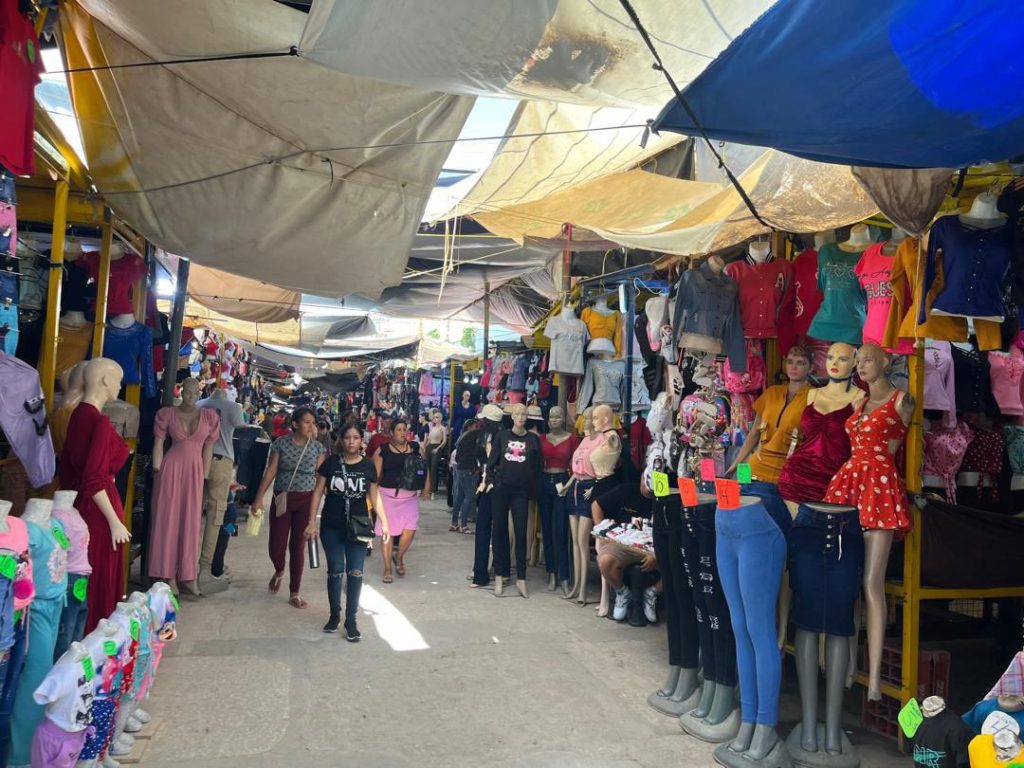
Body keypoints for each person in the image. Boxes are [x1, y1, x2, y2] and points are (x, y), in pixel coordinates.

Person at [307, 425, 390, 641]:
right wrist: (311, 523)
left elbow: (374, 496)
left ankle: (351, 620)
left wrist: (385, 522)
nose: (351, 441)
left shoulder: (368, 466)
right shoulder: (331, 463)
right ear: (341, 441)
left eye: (356, 438)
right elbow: (317, 493)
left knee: (355, 572)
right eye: (347, 438)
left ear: (362, 441)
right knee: (335, 570)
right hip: (331, 525)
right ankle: (335, 615)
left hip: (358, 527)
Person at [252, 407, 326, 609]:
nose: (311, 426)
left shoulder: (318, 448)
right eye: (306, 422)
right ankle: (279, 570)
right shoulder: (281, 444)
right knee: (276, 547)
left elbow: (321, 478)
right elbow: (271, 471)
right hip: (282, 499)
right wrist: (258, 498)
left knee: (298, 547)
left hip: (306, 500)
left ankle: (295, 591)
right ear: (295, 424)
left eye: (313, 422)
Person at [371, 418, 424, 583]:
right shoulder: (383, 450)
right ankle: (387, 568)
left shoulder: (415, 448)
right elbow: (373, 477)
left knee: (410, 530)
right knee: (387, 533)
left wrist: (427, 487)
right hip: (387, 497)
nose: (402, 432)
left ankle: (399, 557)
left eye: (404, 429)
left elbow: (424, 468)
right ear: (392, 433)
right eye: (399, 429)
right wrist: (372, 497)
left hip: (409, 497)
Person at [450, 419, 479, 533]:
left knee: (460, 496)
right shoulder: (472, 436)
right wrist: (475, 467)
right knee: (469, 496)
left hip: (460, 467)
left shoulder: (461, 436)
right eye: (475, 426)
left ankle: (454, 523)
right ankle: (463, 525)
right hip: (468, 468)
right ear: (470, 427)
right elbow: (474, 453)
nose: (477, 428)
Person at [424, 410, 448, 500]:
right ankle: (427, 488)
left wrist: (438, 448)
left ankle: (433, 491)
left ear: (440, 418)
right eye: (434, 417)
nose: (435, 419)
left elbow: (444, 440)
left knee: (434, 469)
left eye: (437, 417)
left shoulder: (442, 428)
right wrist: (425, 447)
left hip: (437, 447)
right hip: (429, 447)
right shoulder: (432, 428)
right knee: (427, 468)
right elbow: (429, 439)